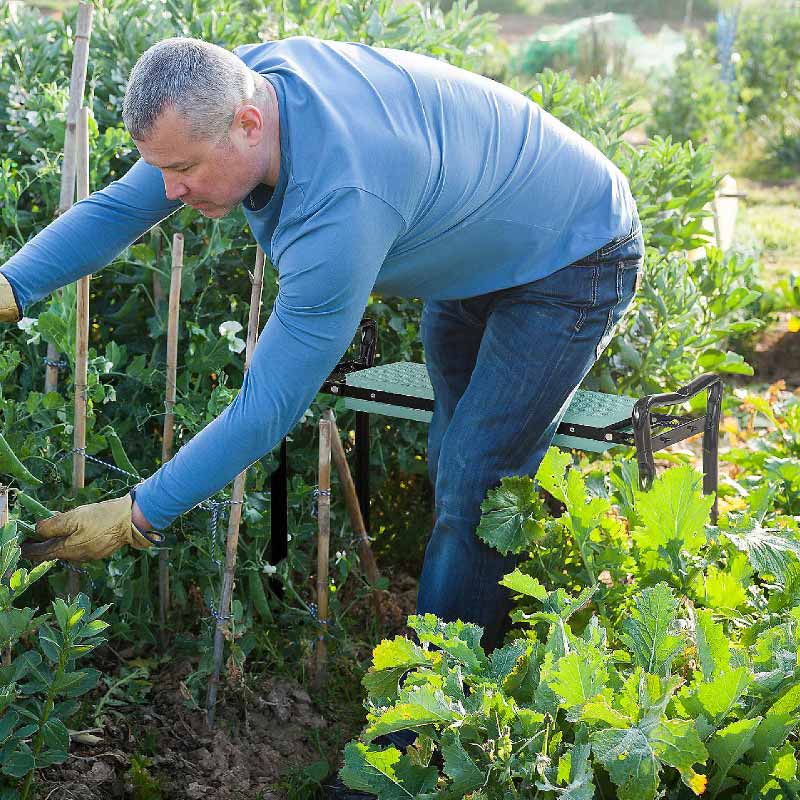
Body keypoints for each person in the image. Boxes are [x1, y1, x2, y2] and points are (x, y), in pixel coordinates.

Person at [1, 35, 643, 653]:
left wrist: (138, 515)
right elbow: (121, 208)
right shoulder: (230, 86)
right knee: (458, 458)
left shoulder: (339, 208)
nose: (170, 190)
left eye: (184, 170)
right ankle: (475, 607)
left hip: (574, 253)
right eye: (161, 168)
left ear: (248, 124)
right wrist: (10, 286)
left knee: (479, 473)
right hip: (480, 239)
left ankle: (443, 693)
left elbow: (267, 408)